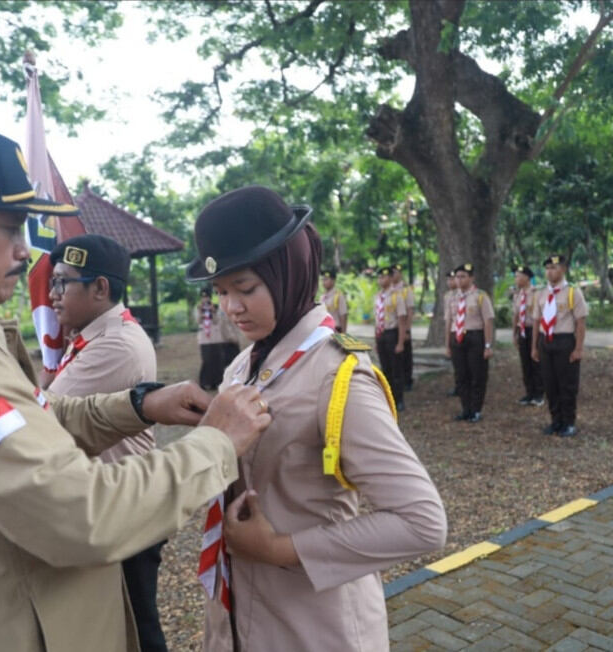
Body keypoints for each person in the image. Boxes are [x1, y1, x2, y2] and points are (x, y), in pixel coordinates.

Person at [0, 121, 272, 652]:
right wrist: (216, 445)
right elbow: (81, 515)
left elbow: (33, 424)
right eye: (9, 228)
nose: (27, 252)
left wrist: (138, 405)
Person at [186, 185, 446, 652]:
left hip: (314, 625)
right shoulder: (244, 365)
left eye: (245, 288)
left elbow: (423, 521)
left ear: (289, 271)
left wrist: (278, 550)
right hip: (241, 615)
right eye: (221, 291)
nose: (232, 307)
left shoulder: (337, 375)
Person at [46, 233, 168, 651]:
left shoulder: (115, 344)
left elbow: (44, 417)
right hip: (116, 502)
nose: (52, 294)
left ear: (100, 288)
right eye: (52, 282)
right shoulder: (92, 336)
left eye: (63, 282)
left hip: (125, 508)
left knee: (137, 630)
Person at [531, 255, 588, 437]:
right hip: (545, 341)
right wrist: (534, 347)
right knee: (550, 383)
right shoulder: (541, 294)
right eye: (547, 268)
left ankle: (569, 422)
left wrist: (578, 348)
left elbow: (580, 323)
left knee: (567, 383)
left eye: (554, 267)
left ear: (563, 269)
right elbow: (536, 322)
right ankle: (555, 421)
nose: (550, 271)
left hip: (564, 341)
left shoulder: (572, 292)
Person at [445, 263, 495, 423]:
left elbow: (488, 321)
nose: (459, 280)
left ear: (471, 278)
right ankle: (465, 409)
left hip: (475, 337)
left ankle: (476, 409)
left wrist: (488, 345)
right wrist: (447, 344)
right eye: (457, 277)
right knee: (461, 375)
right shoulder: (451, 297)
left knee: (477, 375)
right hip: (457, 337)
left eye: (463, 276)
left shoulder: (480, 296)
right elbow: (448, 322)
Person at [373, 265, 407, 412]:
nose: (382, 280)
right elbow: (376, 319)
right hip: (382, 335)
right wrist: (376, 338)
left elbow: (401, 320)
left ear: (390, 278)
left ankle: (399, 399)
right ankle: (388, 398)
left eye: (385, 277)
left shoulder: (396, 296)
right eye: (379, 277)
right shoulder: (377, 297)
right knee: (385, 369)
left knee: (396, 369)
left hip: (393, 333)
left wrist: (400, 342)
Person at [512, 265, 544, 407]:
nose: (516, 279)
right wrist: (514, 333)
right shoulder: (518, 294)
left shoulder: (537, 293)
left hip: (534, 330)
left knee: (536, 361)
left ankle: (539, 394)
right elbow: (516, 315)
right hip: (522, 330)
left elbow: (541, 315)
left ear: (526, 277)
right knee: (525, 363)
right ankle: (529, 393)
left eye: (518, 276)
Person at [197, 288, 228, 390]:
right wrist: (202, 313)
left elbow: (218, 321)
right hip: (204, 338)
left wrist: (213, 311)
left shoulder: (215, 307)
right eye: (203, 297)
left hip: (216, 337)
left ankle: (216, 382)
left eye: (206, 297)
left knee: (217, 360)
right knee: (206, 360)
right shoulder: (198, 308)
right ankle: (204, 382)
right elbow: (197, 320)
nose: (205, 299)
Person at [392, 263, 416, 390]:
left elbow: (410, 311)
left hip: (404, 325)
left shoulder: (406, 290)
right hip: (392, 328)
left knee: (406, 354)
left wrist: (407, 329)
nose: (393, 275)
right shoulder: (389, 291)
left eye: (395, 272)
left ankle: (408, 379)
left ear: (400, 274)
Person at [443, 269, 460, 397]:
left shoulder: (464, 294)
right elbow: (448, 319)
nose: (450, 282)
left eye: (453, 279)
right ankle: (458, 385)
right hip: (454, 330)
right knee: (457, 362)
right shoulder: (448, 296)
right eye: (448, 279)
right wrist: (447, 343)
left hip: (465, 330)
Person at [320, 269, 348, 333]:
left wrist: (343, 334)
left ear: (333, 281)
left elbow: (343, 315)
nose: (324, 282)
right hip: (323, 330)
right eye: (323, 280)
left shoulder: (338, 296)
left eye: (326, 279)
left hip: (335, 330)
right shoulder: (322, 297)